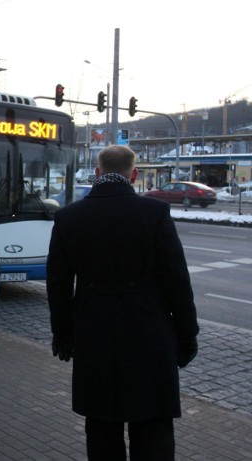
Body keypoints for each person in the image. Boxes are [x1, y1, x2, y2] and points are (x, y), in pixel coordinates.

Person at [46, 144, 199, 461]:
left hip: (94, 330)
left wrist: (63, 333)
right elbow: (177, 280)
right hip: (149, 328)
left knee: (101, 425)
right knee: (152, 423)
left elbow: (58, 285)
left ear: (98, 172)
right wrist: (187, 334)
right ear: (135, 174)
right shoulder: (154, 213)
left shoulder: (68, 217)